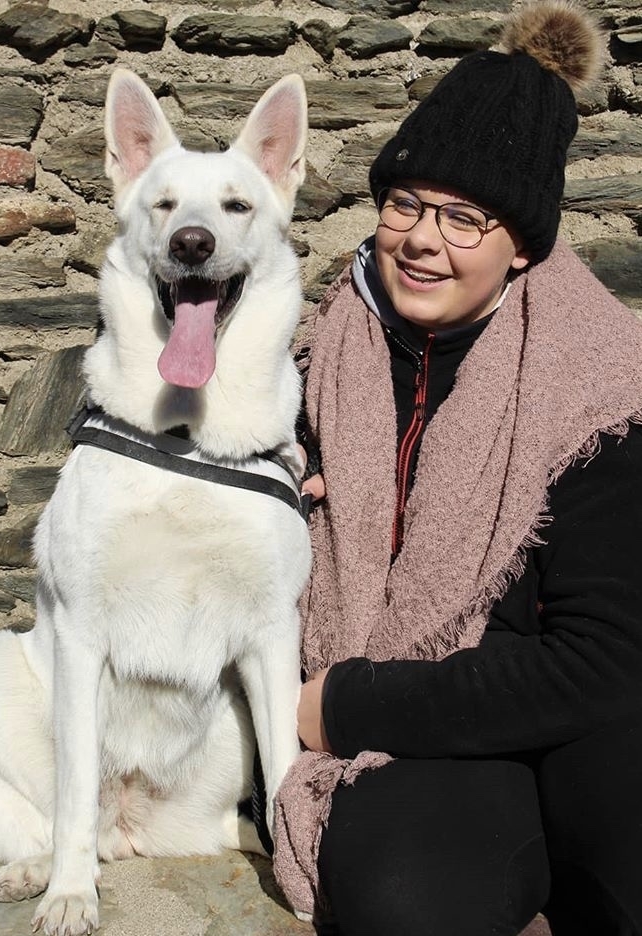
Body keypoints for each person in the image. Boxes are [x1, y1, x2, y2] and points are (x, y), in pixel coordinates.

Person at [271, 3, 642, 935]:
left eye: (466, 217)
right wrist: (283, 479)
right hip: (420, 745)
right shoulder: (327, 347)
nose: (422, 239)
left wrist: (345, 703)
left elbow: (604, 661)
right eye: (405, 203)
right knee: (403, 901)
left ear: (523, 246)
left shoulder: (601, 389)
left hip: (563, 717)